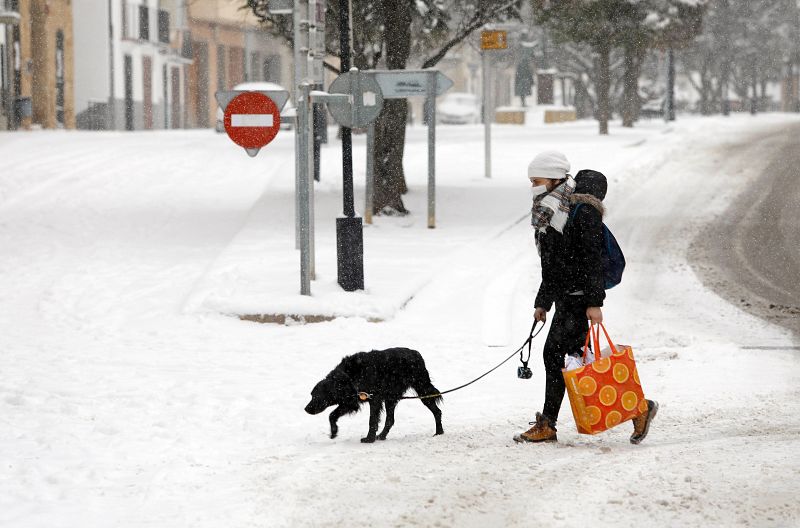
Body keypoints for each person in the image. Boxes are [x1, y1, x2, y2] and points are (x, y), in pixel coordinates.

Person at [513, 151, 658, 445]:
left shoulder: (581, 212)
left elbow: (591, 260)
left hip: (580, 299)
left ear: (554, 178)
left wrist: (594, 303)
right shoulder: (554, 210)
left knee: (558, 357)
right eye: (531, 181)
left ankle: (550, 424)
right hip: (567, 297)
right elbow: (552, 264)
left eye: (537, 180)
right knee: (570, 360)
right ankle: (637, 409)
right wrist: (543, 301)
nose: (533, 186)